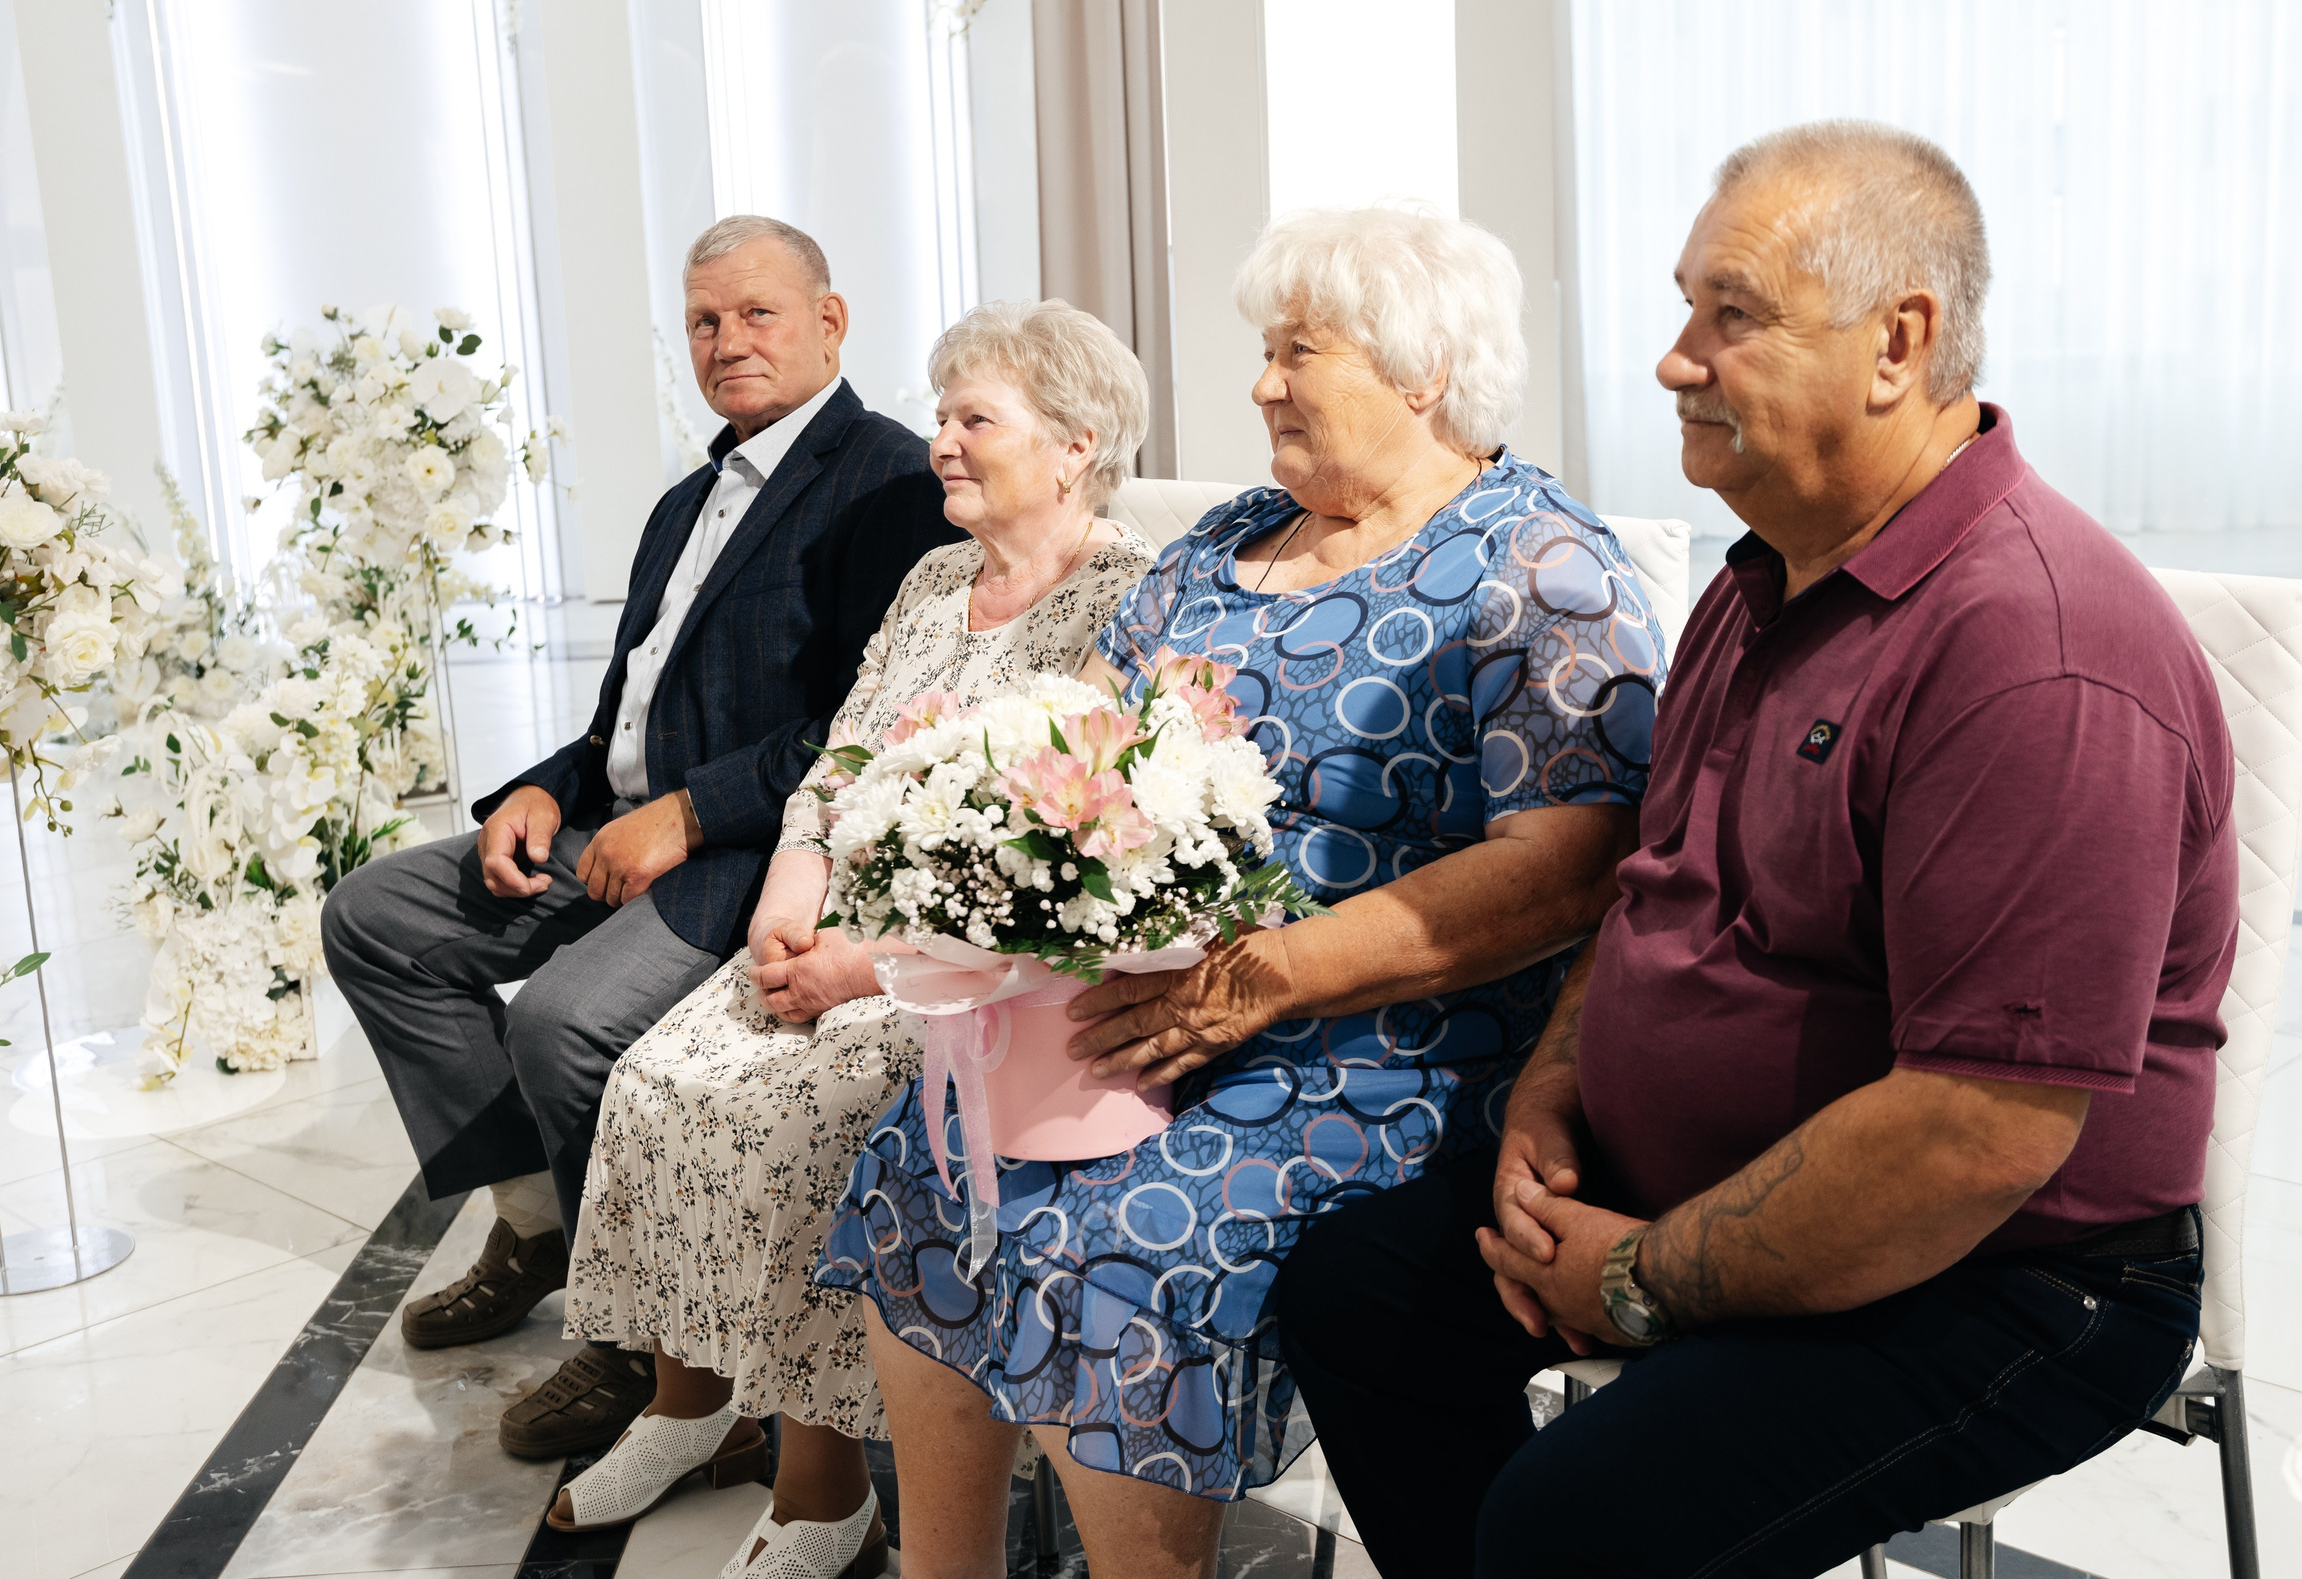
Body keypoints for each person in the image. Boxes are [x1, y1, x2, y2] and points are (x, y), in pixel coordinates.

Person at [1274, 122, 2239, 1578]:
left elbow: (1978, 1131)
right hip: (1710, 1184)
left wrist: (1644, 1279)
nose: (1675, 358)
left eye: (1733, 315)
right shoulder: (1768, 575)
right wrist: (1553, 1098)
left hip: (2008, 1269)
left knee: (1573, 1521)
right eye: (1684, 307)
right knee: (1363, 1291)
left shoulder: (2033, 650)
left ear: (1898, 342)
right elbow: (1649, 896)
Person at [814, 207, 1664, 1579]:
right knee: (929, 1160)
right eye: (1264, 352)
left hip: (1378, 1044)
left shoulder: (1540, 565)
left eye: (1295, 351)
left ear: (1420, 371)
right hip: (1145, 1000)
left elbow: (1571, 862)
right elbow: (1072, 739)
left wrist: (1263, 980)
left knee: (1112, 1246)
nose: (1260, 383)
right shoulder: (1225, 540)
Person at [322, 215, 956, 1462]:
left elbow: (866, 723)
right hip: (616, 824)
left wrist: (690, 812)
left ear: (831, 322)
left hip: (752, 852)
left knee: (561, 1021)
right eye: (704, 321)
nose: (727, 342)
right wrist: (546, 789)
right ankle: (537, 1223)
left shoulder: (886, 483)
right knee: (376, 918)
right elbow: (625, 709)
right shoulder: (685, 502)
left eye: (757, 314)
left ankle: (629, 1342)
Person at [547, 301, 1158, 1579]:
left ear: (1075, 445)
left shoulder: (1129, 598)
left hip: (977, 976)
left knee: (796, 1124)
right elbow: (834, 768)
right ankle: (687, 1405)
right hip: (825, 927)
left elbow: (1042, 861)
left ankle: (823, 1491)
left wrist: (856, 965)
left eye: (972, 419)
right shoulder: (936, 580)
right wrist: (785, 913)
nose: (938, 441)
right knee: (657, 1079)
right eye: (939, 415)